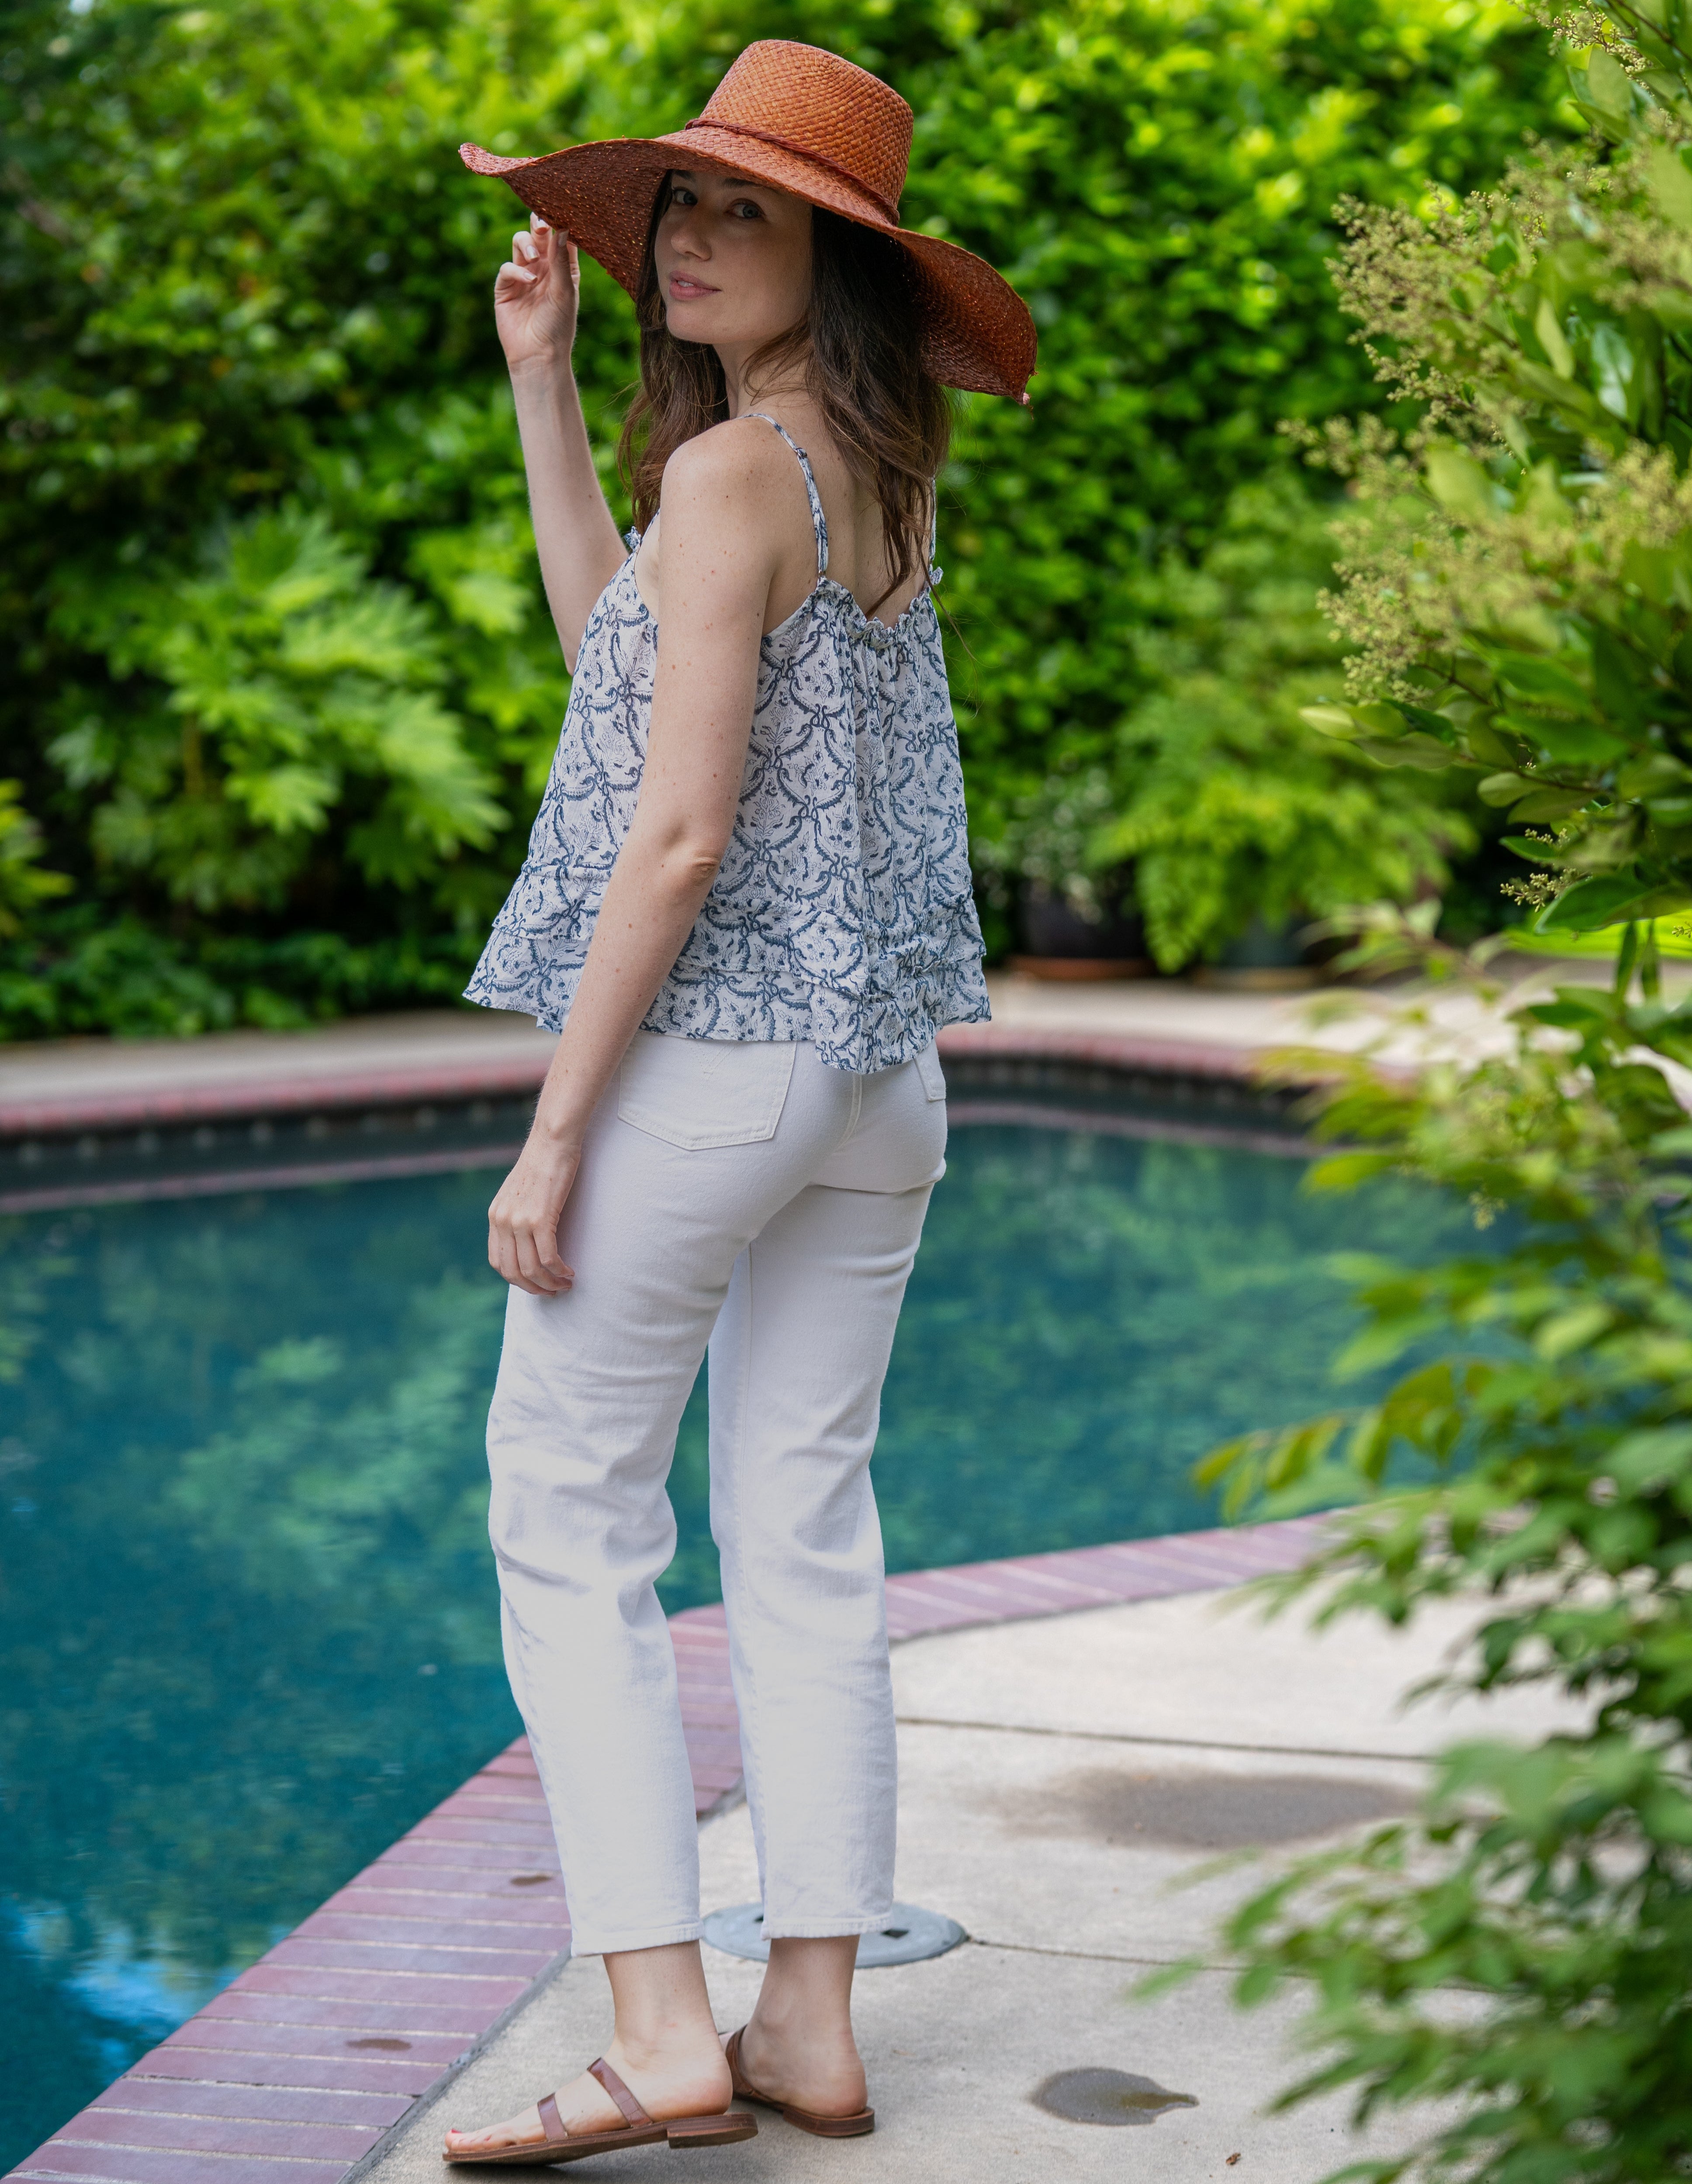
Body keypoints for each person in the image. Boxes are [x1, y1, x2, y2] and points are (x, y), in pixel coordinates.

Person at [440, 40, 1034, 2167]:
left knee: (565, 1506)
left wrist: (555, 1128)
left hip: (724, 1065)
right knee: (801, 1530)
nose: (686, 238)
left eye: (739, 211)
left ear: (832, 261)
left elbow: (675, 832)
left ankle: (655, 2025)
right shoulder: (861, 473)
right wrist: (542, 386)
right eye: (679, 203)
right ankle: (806, 2020)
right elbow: (620, 669)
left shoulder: (729, 477)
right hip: (878, 1085)